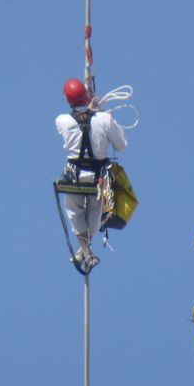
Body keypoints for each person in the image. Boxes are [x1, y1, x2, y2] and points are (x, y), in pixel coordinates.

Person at [55, 77, 128, 271]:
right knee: (96, 213)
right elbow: (121, 145)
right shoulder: (104, 119)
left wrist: (91, 110)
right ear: (87, 96)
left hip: (75, 178)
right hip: (98, 178)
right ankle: (87, 250)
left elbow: (80, 119)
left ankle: (84, 250)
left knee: (74, 210)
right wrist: (101, 113)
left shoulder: (61, 121)